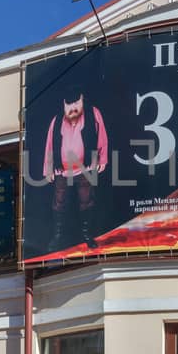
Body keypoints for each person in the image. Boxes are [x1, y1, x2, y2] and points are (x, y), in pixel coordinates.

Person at [41, 92, 109, 251]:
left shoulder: (93, 114)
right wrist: (48, 168)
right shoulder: (56, 121)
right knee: (59, 203)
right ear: (64, 104)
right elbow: (49, 145)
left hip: (86, 168)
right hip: (62, 171)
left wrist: (103, 159)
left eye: (76, 103)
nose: (73, 108)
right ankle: (57, 237)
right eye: (69, 105)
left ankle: (87, 236)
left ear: (82, 100)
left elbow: (102, 137)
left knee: (86, 200)